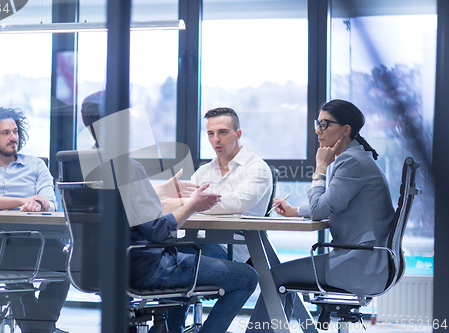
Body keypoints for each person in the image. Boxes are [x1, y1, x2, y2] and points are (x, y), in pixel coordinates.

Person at [80, 92, 259, 333]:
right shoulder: (128, 166)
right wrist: (191, 206)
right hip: (146, 269)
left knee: (188, 253)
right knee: (248, 277)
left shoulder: (83, 163)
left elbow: (123, 208)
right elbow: (156, 230)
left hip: (102, 267)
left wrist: (161, 190)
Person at [247, 99, 395, 332]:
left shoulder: (351, 162)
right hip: (366, 260)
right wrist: (296, 211)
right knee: (276, 275)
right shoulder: (356, 158)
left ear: (345, 130)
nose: (317, 130)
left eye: (325, 124)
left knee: (273, 277)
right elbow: (330, 205)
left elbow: (319, 210)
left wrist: (320, 168)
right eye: (318, 123)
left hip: (359, 264)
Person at [0, 107, 70, 333]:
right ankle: (42, 328)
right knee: (13, 257)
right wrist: (23, 200)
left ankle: (41, 325)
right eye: (5, 133)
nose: (13, 137)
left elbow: (50, 201)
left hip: (37, 241)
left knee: (71, 260)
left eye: (15, 131)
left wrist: (39, 204)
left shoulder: (37, 165)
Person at [166, 107, 272, 263]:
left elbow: (237, 202)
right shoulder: (204, 171)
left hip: (230, 249)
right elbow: (179, 204)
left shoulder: (256, 167)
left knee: (161, 259)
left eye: (222, 132)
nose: (216, 139)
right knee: (149, 251)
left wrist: (189, 204)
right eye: (211, 133)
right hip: (196, 241)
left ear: (238, 134)